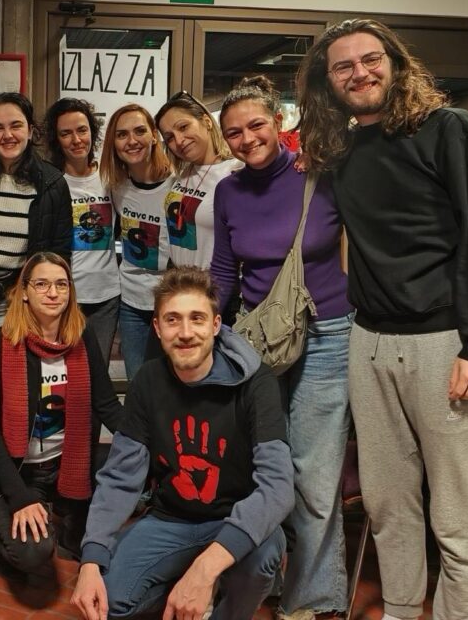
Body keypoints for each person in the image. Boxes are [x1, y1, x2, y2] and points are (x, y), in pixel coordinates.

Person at [297, 19, 468, 620]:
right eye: (343, 66)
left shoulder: (450, 130)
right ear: (328, 82)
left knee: (457, 515)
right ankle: (399, 609)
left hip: (447, 346)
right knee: (388, 504)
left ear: (395, 63)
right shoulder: (342, 150)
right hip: (368, 343)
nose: (359, 73)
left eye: (371, 59)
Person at [70, 267, 292, 620]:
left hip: (235, 518)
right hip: (171, 519)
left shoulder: (256, 382)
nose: (185, 333)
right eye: (172, 320)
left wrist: (204, 569)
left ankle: (219, 600)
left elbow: (277, 487)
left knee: (262, 558)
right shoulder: (148, 381)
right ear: (157, 328)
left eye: (197, 318)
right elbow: (119, 479)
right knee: (108, 602)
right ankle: (183, 590)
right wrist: (91, 559)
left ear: (216, 325)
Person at [211, 74, 354, 619]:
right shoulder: (228, 192)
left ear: (279, 122)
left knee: (313, 471)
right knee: (264, 464)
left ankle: (311, 599)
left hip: (327, 335)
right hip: (260, 340)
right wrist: (205, 328)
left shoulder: (319, 175)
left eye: (256, 125)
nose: (247, 139)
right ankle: (264, 574)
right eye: (234, 133)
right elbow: (224, 269)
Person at [0, 252, 122, 579]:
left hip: (67, 464)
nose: (53, 293)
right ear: (25, 291)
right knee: (33, 552)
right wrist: (19, 497)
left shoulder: (82, 339)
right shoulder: (0, 343)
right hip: (17, 472)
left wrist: (149, 443)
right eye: (41, 284)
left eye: (61, 284)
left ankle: (68, 520)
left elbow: (108, 405)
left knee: (103, 534)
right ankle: (12, 525)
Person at [0, 92, 73, 460]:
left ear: (30, 130)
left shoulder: (51, 182)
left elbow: (59, 252)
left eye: (15, 125)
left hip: (8, 303)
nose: (7, 135)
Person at [44, 98, 120, 369]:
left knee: (97, 372)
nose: (76, 140)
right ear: (57, 139)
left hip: (106, 296)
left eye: (82, 130)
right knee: (62, 372)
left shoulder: (111, 178)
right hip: (63, 297)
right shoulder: (51, 182)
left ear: (92, 132)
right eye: (66, 133)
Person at [99, 104, 172, 380]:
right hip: (131, 303)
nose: (132, 141)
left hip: (170, 299)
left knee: (174, 384)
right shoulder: (115, 187)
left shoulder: (178, 183)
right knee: (138, 383)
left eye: (140, 131)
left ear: (154, 135)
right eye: (122, 134)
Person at [155, 92, 240, 269]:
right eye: (170, 137)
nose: (179, 140)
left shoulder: (235, 171)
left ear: (206, 121)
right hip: (178, 277)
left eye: (183, 127)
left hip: (213, 280)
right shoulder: (182, 174)